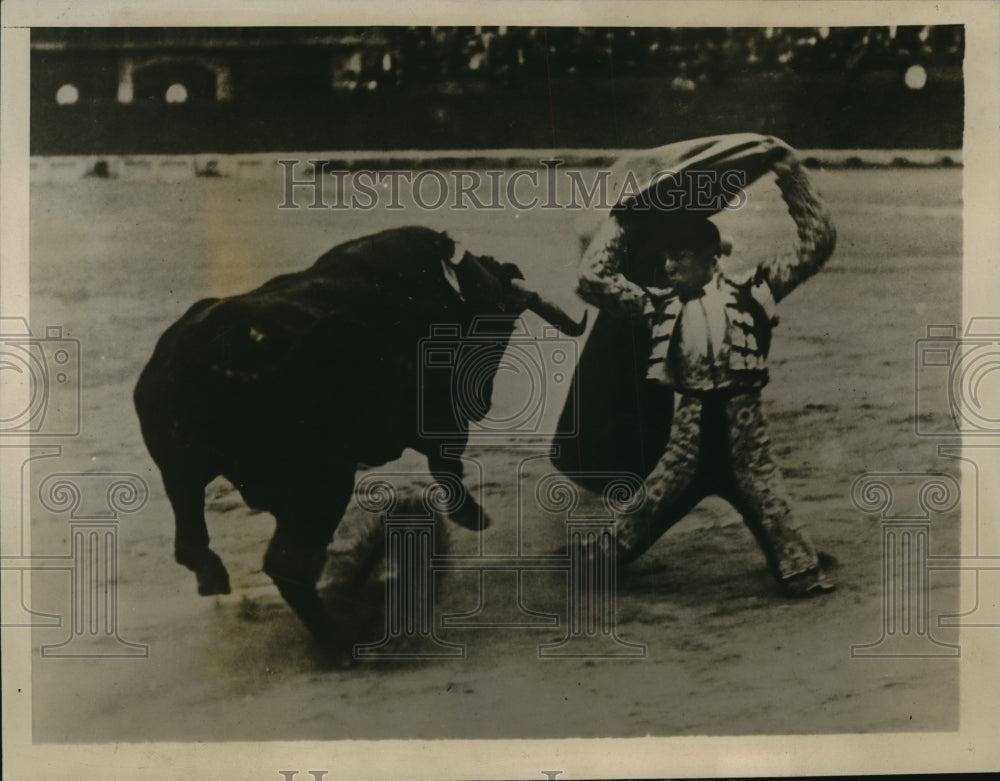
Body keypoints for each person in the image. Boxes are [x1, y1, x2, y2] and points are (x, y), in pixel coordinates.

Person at [575, 145, 837, 597]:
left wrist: (790, 175)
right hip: (688, 440)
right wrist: (623, 219)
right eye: (664, 258)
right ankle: (606, 553)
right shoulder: (659, 302)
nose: (667, 266)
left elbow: (818, 239)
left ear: (709, 256)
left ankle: (799, 562)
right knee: (616, 541)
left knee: (795, 556)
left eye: (678, 256)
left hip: (746, 440)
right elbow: (592, 281)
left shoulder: (756, 288)